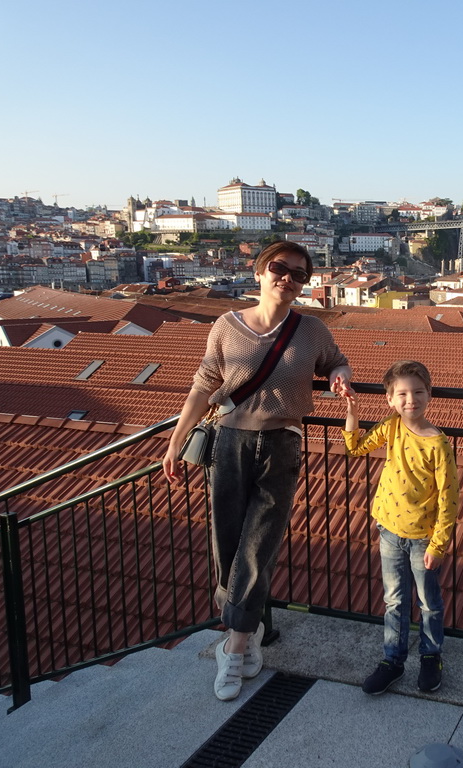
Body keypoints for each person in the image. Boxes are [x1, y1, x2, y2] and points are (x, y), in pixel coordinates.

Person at [163, 241, 352, 702]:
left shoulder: (311, 329)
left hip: (282, 443)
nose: (287, 278)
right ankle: (244, 635)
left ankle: (236, 643)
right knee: (227, 540)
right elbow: (203, 387)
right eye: (279, 268)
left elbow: (336, 360)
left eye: (299, 274)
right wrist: (174, 442)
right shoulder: (226, 327)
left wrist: (339, 374)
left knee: (260, 542)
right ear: (259, 273)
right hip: (229, 441)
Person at [342, 360, 458, 694]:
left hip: (424, 538)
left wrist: (439, 544)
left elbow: (450, 498)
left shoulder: (438, 443)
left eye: (418, 392)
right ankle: (392, 660)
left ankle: (430, 656)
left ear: (429, 395)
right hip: (389, 531)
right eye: (403, 394)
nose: (411, 400)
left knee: (428, 602)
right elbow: (355, 447)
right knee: (394, 600)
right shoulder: (391, 427)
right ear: (391, 399)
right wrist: (352, 409)